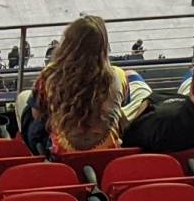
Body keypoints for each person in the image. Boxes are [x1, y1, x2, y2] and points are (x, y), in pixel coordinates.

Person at [24, 14, 147, 154]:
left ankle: (37, 152)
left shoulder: (50, 75)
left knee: (28, 107)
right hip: (107, 153)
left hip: (62, 154)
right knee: (132, 77)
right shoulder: (117, 75)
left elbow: (37, 114)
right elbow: (122, 102)